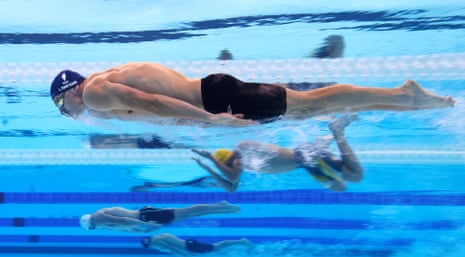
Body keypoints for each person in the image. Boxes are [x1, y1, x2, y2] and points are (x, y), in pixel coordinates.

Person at [49, 63, 454, 126]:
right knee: (304, 112)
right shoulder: (104, 83)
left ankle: (404, 94)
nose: (67, 112)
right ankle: (405, 101)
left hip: (215, 101)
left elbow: (154, 104)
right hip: (213, 92)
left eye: (62, 106)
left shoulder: (98, 93)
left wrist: (210, 120)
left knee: (313, 104)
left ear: (69, 92)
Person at [191, 114, 363, 192]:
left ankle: (336, 131)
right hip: (305, 157)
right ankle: (325, 141)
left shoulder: (242, 151)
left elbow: (233, 178)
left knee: (348, 181)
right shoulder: (244, 162)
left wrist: (212, 160)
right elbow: (231, 188)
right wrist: (208, 168)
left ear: (229, 160)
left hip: (305, 155)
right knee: (352, 178)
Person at [79, 200, 240, 232]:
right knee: (187, 215)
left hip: (145, 217)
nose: (96, 229)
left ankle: (221, 206)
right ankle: (221, 208)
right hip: (145, 218)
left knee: (187, 212)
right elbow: (126, 226)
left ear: (91, 223)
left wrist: (147, 225)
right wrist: (142, 230)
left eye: (92, 228)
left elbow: (123, 220)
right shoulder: (102, 221)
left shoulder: (100, 218)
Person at [141, 233, 254, 256]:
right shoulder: (160, 235)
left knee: (216, 247)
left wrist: (184, 254)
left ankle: (241, 242)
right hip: (189, 243)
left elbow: (171, 248)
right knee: (215, 248)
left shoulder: (155, 241)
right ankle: (238, 245)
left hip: (189, 246)